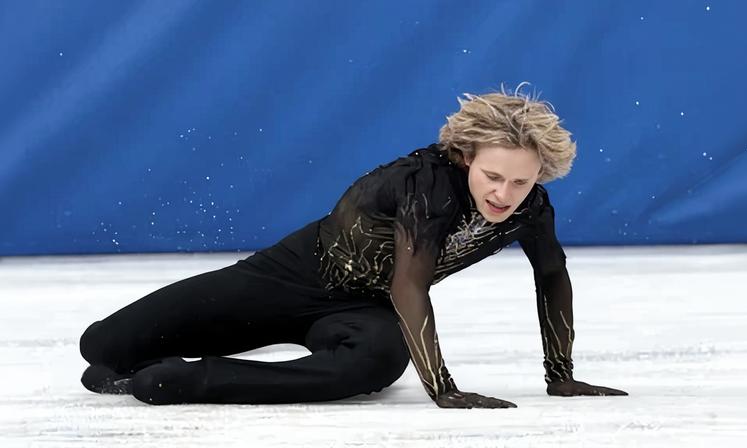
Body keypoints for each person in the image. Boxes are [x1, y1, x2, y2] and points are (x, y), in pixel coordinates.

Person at [79, 86, 627, 408]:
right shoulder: (427, 184)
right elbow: (410, 282)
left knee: (378, 360)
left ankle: (195, 379)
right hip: (290, 275)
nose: (504, 194)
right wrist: (442, 389)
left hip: (362, 309)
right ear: (466, 158)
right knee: (100, 348)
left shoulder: (532, 209)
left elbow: (552, 276)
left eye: (521, 182)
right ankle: (149, 359)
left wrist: (560, 375)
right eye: (493, 176)